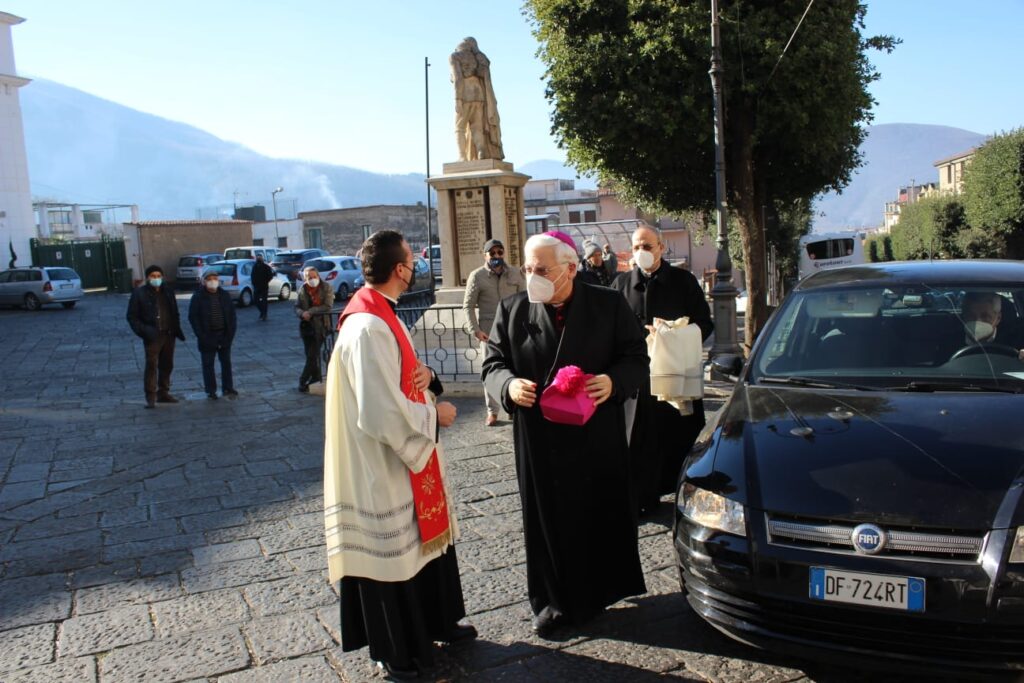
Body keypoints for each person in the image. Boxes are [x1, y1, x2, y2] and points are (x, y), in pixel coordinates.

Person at [324, 229, 476, 680]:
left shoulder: (381, 312)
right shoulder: (368, 327)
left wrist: (426, 375)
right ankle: (398, 647)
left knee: (421, 544)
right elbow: (379, 411)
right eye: (411, 262)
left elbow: (399, 377)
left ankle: (435, 621)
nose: (415, 269)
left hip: (403, 461)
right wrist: (435, 417)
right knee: (392, 553)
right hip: (383, 462)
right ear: (400, 270)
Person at [481, 231, 649, 637]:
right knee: (549, 521)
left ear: (570, 269)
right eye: (528, 268)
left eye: (542, 270)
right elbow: (493, 364)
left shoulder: (609, 304)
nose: (532, 276)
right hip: (541, 439)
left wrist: (613, 381)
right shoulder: (512, 309)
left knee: (598, 513)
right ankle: (552, 601)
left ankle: (602, 589)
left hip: (595, 434)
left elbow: (636, 357)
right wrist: (508, 386)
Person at [611, 226, 714, 515]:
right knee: (637, 439)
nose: (641, 252)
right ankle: (641, 498)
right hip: (637, 380)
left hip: (675, 375)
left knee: (676, 438)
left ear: (661, 247)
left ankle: (684, 494)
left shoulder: (683, 281)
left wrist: (672, 335)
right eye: (636, 247)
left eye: (647, 246)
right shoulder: (620, 284)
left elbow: (704, 324)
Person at [462, 238, 525, 426]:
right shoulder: (477, 276)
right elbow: (468, 305)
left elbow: (525, 299)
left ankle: (512, 407)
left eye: (500, 252)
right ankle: (492, 411)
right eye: (492, 253)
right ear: (485, 255)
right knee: (490, 370)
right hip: (488, 332)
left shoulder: (515, 273)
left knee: (515, 368)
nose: (497, 256)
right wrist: (475, 330)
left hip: (513, 329)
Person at [126, 265, 186, 409]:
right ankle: (151, 396)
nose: (156, 279)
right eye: (153, 276)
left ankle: (163, 392)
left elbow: (175, 312)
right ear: (148, 278)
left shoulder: (168, 291)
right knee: (151, 365)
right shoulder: (139, 293)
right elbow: (132, 316)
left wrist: (175, 328)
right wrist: (145, 331)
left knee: (167, 364)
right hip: (152, 335)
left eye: (158, 276)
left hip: (168, 334)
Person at [450, 37, 504, 161]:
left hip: (465, 94)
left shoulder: (455, 56)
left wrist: (457, 99)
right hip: (479, 95)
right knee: (477, 127)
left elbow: (458, 78)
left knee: (459, 128)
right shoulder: (477, 57)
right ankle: (481, 152)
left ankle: (462, 156)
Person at [188, 269, 237, 400]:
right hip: (207, 336)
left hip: (224, 334)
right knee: (208, 364)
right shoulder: (198, 296)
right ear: (204, 282)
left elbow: (232, 316)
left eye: (215, 279)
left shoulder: (224, 295)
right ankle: (211, 390)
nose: (212, 281)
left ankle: (228, 387)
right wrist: (201, 335)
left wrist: (230, 334)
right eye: (209, 279)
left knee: (226, 362)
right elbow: (193, 317)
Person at [295, 265, 335, 392]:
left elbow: (327, 305)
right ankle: (315, 377)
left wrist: (311, 311)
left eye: (314, 276)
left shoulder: (326, 287)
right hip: (306, 327)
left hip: (321, 326)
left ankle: (302, 380)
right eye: (309, 277)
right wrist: (302, 313)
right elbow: (296, 306)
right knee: (310, 354)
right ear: (305, 278)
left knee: (312, 354)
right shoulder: (303, 289)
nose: (312, 279)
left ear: (318, 276)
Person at [251, 253, 275, 321]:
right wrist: (254, 283)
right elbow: (252, 276)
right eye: (257, 258)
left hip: (264, 286)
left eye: (260, 257)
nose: (258, 259)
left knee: (264, 301)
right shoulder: (254, 267)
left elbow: (270, 276)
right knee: (256, 300)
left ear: (262, 258)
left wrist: (266, 281)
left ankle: (264, 314)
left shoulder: (266, 267)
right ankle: (262, 312)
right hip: (256, 286)